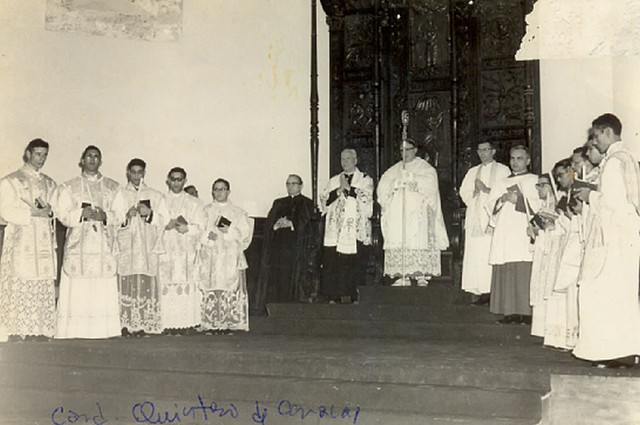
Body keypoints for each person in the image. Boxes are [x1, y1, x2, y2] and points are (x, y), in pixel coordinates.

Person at [573, 113, 640, 367]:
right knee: (621, 296)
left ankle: (610, 352)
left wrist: (589, 195)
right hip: (627, 236)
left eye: (597, 135)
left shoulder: (613, 162)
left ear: (608, 133)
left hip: (612, 238)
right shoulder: (629, 159)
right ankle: (623, 352)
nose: (595, 141)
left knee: (603, 293)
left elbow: (612, 202)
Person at [54, 145, 121, 339]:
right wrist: (80, 213)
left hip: (102, 246)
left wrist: (104, 215)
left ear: (101, 161)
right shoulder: (69, 187)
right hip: (79, 246)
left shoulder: (112, 187)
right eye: (89, 156)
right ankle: (74, 330)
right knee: (78, 288)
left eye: (96, 157)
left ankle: (103, 330)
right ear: (82, 160)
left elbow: (121, 214)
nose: (92, 160)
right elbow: (63, 215)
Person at [0, 139, 57, 340]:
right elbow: (4, 210)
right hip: (21, 240)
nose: (41, 159)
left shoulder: (49, 183)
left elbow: (55, 209)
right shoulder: (11, 181)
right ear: (28, 153)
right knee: (20, 281)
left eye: (44, 155)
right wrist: (30, 213)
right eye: (38, 154)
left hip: (41, 241)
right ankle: (16, 329)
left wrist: (49, 212)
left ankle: (39, 329)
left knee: (40, 281)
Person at [377, 138, 449, 286]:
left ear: (415, 150)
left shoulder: (424, 167)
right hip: (398, 215)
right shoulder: (394, 169)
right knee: (400, 239)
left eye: (408, 150)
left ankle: (421, 274)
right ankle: (403, 275)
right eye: (402, 150)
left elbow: (430, 184)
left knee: (418, 239)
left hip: (418, 213)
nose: (405, 153)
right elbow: (383, 186)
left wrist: (412, 178)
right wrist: (395, 184)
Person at [111, 158, 169, 337]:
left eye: (140, 172)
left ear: (144, 173)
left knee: (144, 282)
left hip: (146, 246)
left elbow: (165, 220)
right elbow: (112, 219)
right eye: (133, 172)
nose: (136, 176)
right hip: (128, 245)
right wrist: (126, 216)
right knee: (127, 282)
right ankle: (125, 324)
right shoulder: (120, 193)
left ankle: (143, 323)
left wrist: (150, 215)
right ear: (128, 173)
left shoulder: (155, 195)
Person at [487, 145, 540, 325]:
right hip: (506, 230)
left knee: (524, 267)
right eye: (512, 158)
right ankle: (509, 311)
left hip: (524, 229)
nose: (514, 163)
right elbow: (489, 205)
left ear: (528, 161)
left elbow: (541, 205)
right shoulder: (501, 182)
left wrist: (520, 201)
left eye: (519, 159)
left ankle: (527, 312)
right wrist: (501, 200)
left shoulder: (535, 180)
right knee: (507, 265)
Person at [199, 178, 253, 333]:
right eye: (216, 189)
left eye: (222, 189)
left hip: (229, 255)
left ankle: (228, 323)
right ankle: (211, 323)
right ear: (212, 192)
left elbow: (244, 234)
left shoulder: (238, 212)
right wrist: (208, 237)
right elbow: (200, 231)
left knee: (228, 286)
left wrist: (228, 232)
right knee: (212, 285)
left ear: (228, 192)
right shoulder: (205, 210)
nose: (219, 192)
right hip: (210, 255)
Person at [459, 141, 510, 304]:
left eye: (486, 150)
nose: (483, 153)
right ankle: (476, 290)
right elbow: (464, 193)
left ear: (493, 151)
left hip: (492, 217)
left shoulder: (503, 170)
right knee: (475, 253)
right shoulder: (473, 171)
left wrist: (486, 190)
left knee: (490, 252)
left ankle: (492, 291)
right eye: (480, 150)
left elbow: (505, 192)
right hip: (475, 216)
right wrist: (475, 190)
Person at [319, 149, 373, 302]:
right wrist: (338, 190)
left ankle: (354, 295)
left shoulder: (364, 179)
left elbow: (367, 198)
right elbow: (324, 201)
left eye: (348, 158)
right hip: (335, 230)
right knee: (334, 262)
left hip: (354, 229)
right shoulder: (334, 179)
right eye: (342, 159)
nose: (345, 162)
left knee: (353, 263)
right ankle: (333, 296)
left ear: (356, 160)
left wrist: (349, 189)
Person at [256, 174, 314, 310]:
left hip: (296, 249)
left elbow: (308, 225)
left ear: (301, 185)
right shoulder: (279, 202)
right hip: (279, 248)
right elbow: (269, 223)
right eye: (288, 183)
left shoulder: (307, 203)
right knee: (278, 277)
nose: (290, 186)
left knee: (293, 278)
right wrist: (276, 225)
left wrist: (291, 223)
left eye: (294, 183)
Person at [158, 167, 205, 334]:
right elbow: (154, 224)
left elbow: (201, 227)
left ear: (185, 181)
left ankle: (185, 324)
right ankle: (167, 324)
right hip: (167, 250)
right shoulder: (160, 200)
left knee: (185, 284)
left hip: (186, 251)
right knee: (166, 285)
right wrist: (165, 225)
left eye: (179, 179)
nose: (176, 183)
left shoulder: (194, 203)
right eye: (173, 179)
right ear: (168, 181)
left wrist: (187, 228)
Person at [527, 173, 562, 337]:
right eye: (538, 185)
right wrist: (533, 231)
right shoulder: (543, 208)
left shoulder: (560, 207)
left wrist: (550, 227)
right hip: (542, 252)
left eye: (542, 185)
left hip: (554, 253)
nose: (539, 188)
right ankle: (542, 331)